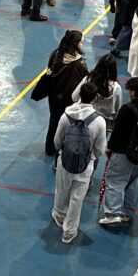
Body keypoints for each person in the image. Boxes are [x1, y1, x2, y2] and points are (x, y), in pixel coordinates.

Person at [52, 81, 107, 245]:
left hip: (65, 161)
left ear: (80, 94)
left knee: (62, 190)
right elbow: (100, 149)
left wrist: (63, 152)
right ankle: (69, 232)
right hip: (85, 166)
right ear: (95, 98)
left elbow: (57, 141)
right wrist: (91, 157)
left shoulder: (66, 116)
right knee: (77, 199)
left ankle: (59, 215)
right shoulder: (99, 121)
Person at [99, 77, 138, 229]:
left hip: (123, 153)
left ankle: (113, 213)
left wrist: (109, 147)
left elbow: (118, 132)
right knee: (134, 183)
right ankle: (128, 212)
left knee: (115, 181)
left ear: (133, 92)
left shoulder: (127, 109)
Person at [39, 29, 90, 157]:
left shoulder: (56, 54)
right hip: (69, 100)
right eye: (82, 42)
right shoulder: (79, 63)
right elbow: (85, 81)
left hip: (54, 97)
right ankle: (62, 151)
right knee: (68, 126)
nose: (83, 44)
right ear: (76, 44)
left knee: (53, 122)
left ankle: (50, 148)